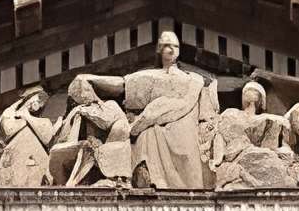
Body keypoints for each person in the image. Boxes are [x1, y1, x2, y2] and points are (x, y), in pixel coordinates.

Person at [75, 32, 217, 190]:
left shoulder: (194, 80)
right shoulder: (151, 76)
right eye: (167, 45)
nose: (171, 49)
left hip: (185, 134)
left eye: (175, 46)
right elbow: (123, 85)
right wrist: (91, 79)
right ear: (159, 49)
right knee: (147, 135)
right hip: (152, 132)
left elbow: (206, 116)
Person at [0, 90, 55, 186]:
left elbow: (47, 138)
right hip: (12, 166)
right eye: (37, 99)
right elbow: (8, 130)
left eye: (41, 103)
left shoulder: (44, 122)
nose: (37, 104)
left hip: (37, 167)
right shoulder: (10, 117)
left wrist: (27, 117)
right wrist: (20, 113)